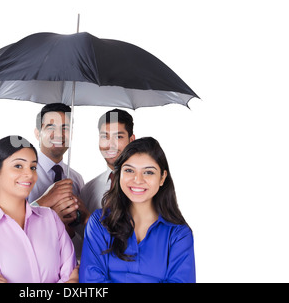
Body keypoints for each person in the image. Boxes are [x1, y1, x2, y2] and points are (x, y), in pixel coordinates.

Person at [0, 136, 78, 283]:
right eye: (18, 166)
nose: (29, 174)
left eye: (33, 167)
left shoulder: (51, 218)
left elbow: (72, 280)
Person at [79, 137, 195, 283]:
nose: (138, 180)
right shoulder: (99, 223)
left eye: (148, 172)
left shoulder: (179, 234)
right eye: (129, 170)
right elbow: (91, 283)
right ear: (119, 173)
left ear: (162, 177)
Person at [27, 103, 89, 252]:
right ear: (37, 133)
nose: (59, 134)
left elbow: (82, 233)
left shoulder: (76, 178)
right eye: (50, 127)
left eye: (65, 128)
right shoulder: (24, 175)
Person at [80, 108, 136, 214]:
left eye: (118, 137)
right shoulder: (87, 191)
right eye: (104, 136)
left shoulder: (144, 185)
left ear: (131, 140)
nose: (110, 145)